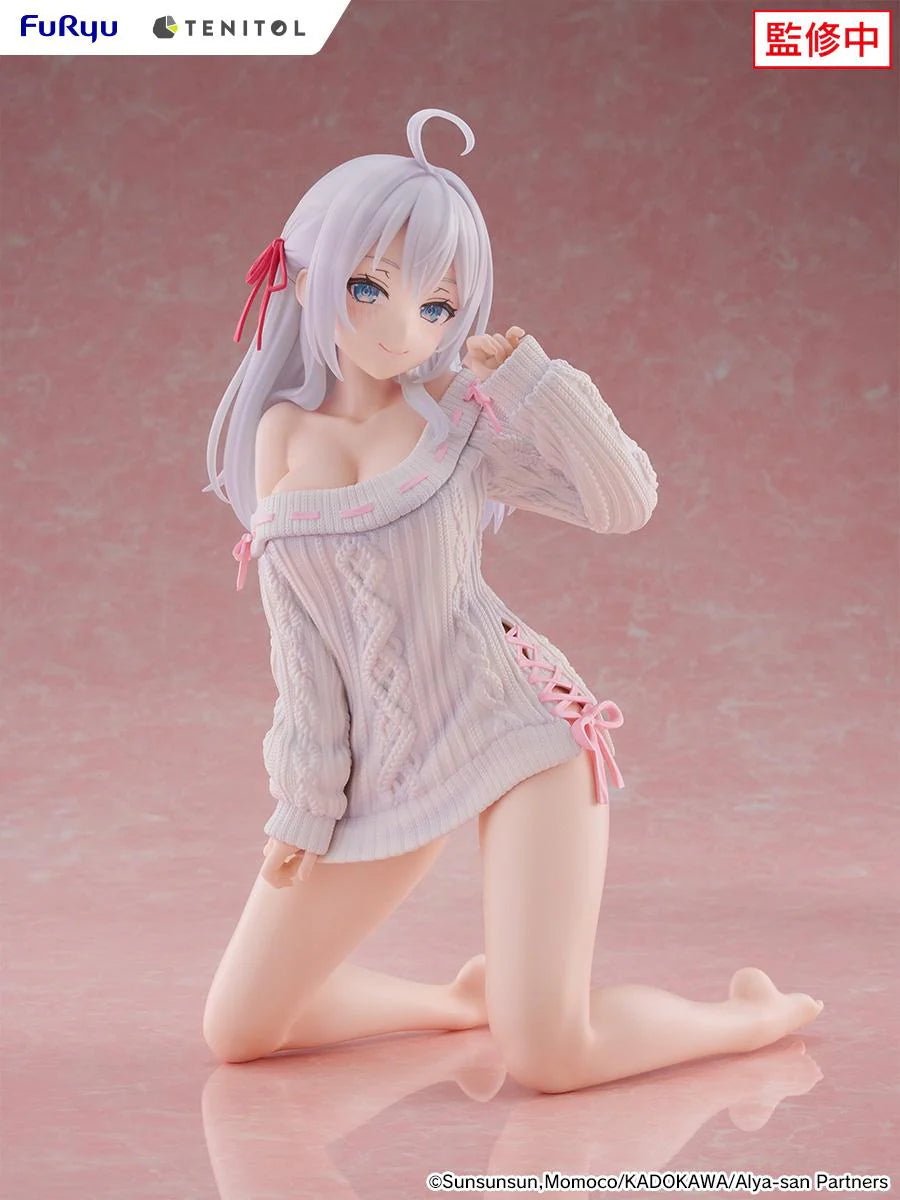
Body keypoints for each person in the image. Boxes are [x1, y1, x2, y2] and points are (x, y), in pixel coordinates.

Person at [200, 108, 823, 1093]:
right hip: (391, 766)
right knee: (240, 1030)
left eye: (436, 306)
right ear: (305, 276)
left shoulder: (460, 418)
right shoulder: (282, 435)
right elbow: (305, 654)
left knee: (552, 1054)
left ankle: (747, 1018)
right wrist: (303, 809)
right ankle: (460, 1001)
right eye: (369, 288)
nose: (403, 329)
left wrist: (538, 385)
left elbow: (624, 502)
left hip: (520, 732)